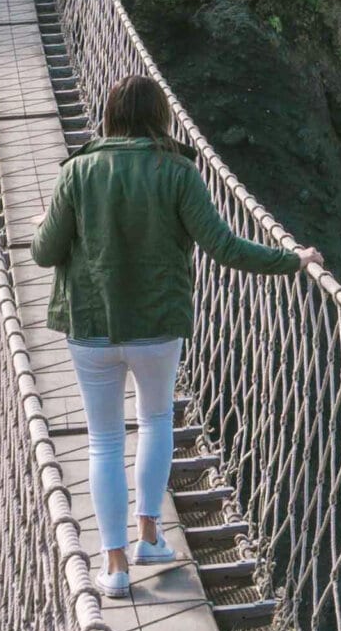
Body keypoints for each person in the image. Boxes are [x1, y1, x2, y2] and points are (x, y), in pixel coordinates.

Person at [31, 75, 317, 599]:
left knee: (104, 441)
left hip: (91, 326)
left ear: (110, 116)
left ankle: (114, 567)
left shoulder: (76, 171)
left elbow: (45, 253)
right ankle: (149, 537)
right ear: (162, 117)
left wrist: (42, 223)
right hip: (157, 326)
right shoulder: (179, 172)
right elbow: (225, 247)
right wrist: (291, 261)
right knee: (156, 420)